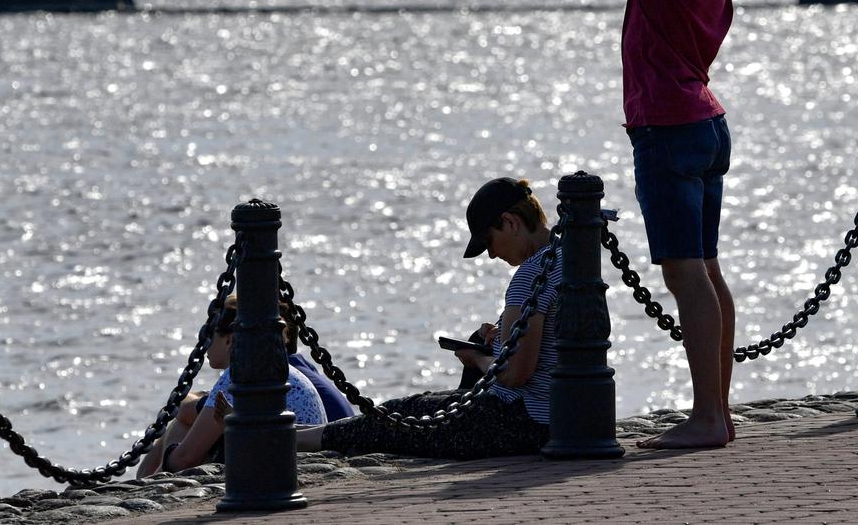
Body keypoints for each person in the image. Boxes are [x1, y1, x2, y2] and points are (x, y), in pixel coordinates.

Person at [547, 0, 743, 449]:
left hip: (667, 129)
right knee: (707, 270)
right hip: (706, 124)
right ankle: (720, 410)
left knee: (687, 276)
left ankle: (707, 419)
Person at [297, 177, 562, 459]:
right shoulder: (568, 257)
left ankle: (292, 440)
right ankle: (299, 434)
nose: (492, 254)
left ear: (510, 222)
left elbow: (513, 375)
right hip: (552, 415)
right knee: (409, 407)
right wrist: (499, 339)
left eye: (489, 241)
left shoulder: (530, 276)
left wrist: (477, 358)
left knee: (396, 423)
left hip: (522, 419)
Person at [136, 294, 327, 478]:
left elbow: (186, 458)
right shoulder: (278, 369)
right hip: (303, 458)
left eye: (209, 335)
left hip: (272, 463)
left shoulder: (240, 374)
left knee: (181, 428)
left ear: (229, 340)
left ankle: (148, 484)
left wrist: (157, 474)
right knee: (186, 427)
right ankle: (146, 480)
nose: (204, 345)